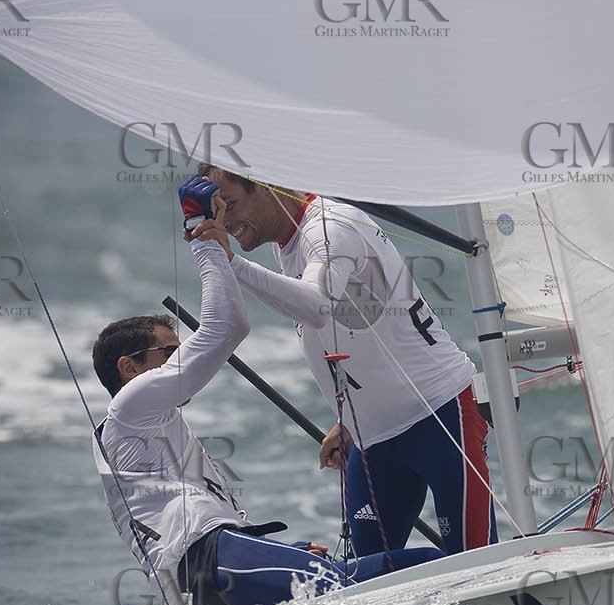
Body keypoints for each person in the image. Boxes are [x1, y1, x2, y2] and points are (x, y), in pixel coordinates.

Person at [91, 176, 441, 605]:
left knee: (349, 578)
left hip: (199, 590)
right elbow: (227, 327)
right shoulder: (133, 405)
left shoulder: (149, 428)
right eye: (168, 352)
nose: (182, 359)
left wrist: (288, 551)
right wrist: (205, 238)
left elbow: (204, 516)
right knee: (386, 576)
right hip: (210, 560)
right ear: (129, 368)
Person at [198, 164, 497, 560]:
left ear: (269, 184)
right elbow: (345, 329)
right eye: (218, 212)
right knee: (365, 577)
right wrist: (352, 418)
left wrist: (233, 263)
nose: (227, 221)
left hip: (439, 415)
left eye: (230, 205)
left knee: (474, 561)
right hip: (372, 438)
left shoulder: (332, 227)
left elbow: (316, 305)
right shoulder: (288, 243)